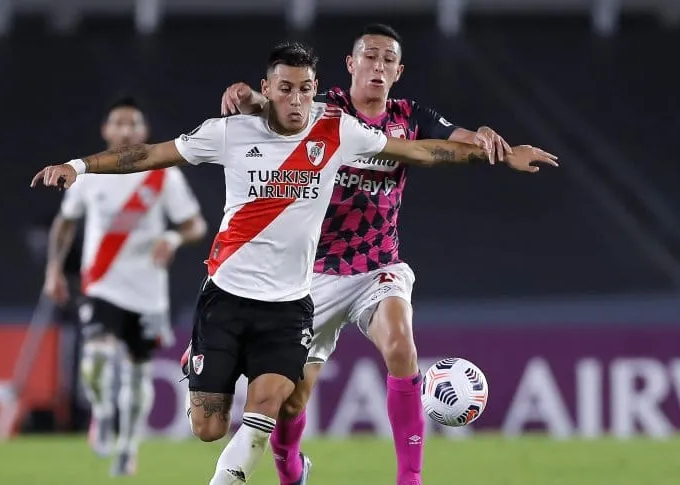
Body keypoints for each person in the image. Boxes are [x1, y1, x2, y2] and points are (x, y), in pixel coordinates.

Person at [31, 41, 556, 485]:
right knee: (208, 428)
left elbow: (421, 152)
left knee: (264, 414)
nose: (298, 99)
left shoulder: (337, 130)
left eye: (306, 89)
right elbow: (147, 155)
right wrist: (79, 166)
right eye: (286, 88)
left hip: (289, 307)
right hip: (225, 296)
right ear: (268, 89)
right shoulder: (229, 132)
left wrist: (501, 154)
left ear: (316, 89)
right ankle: (206, 371)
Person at [215, 24, 548, 485]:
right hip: (314, 274)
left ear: (398, 71)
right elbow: (276, 107)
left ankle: (410, 479)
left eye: (388, 60)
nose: (378, 66)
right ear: (351, 64)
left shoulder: (410, 116)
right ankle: (291, 468)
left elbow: (461, 141)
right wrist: (249, 97)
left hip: (378, 266)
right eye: (370, 56)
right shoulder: (323, 110)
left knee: (400, 345)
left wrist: (494, 143)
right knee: (291, 402)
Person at [42, 96, 207, 476]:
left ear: (144, 130)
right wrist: (53, 270)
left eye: (133, 124)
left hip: (147, 291)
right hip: (102, 285)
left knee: (137, 371)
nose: (126, 130)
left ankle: (128, 447)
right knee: (95, 363)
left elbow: (195, 224)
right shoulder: (89, 173)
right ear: (106, 129)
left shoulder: (163, 175)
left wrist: (172, 238)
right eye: (119, 123)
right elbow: (66, 221)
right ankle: (102, 412)